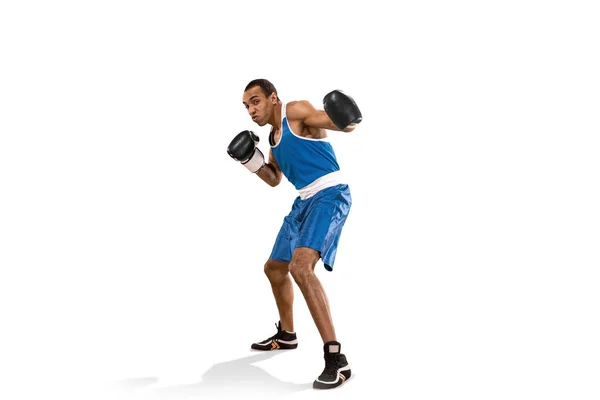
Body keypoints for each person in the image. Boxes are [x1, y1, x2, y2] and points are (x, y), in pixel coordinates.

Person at [227, 79, 362, 390]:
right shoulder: (273, 138)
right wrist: (251, 161)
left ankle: (336, 359)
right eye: (247, 106)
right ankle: (287, 335)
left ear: (273, 98)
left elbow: (340, 124)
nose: (251, 109)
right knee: (274, 268)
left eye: (256, 101)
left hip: (330, 194)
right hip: (304, 201)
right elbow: (274, 179)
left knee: (300, 267)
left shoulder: (295, 112)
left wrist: (348, 117)